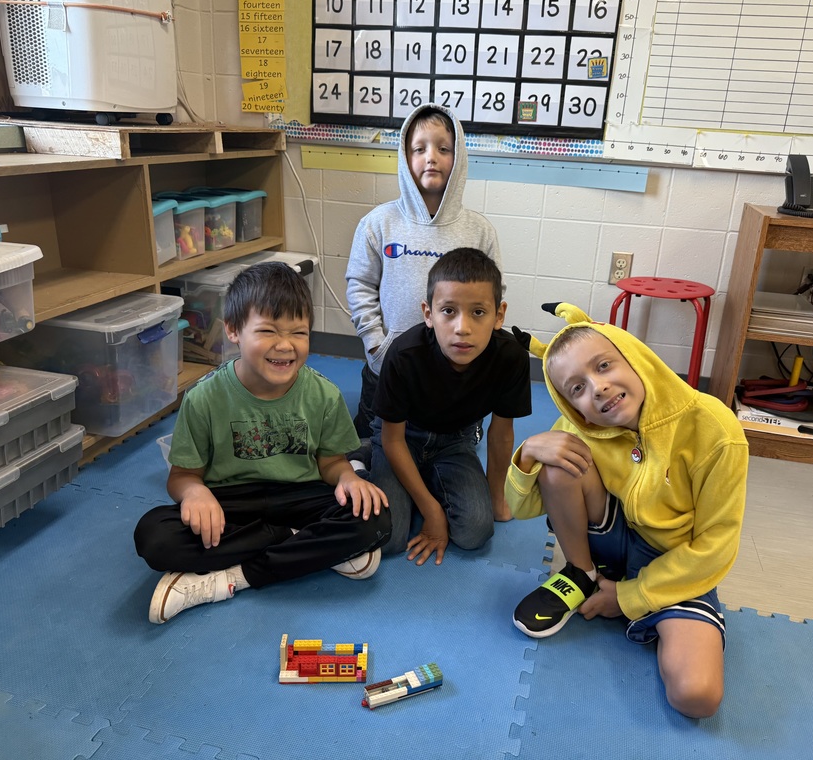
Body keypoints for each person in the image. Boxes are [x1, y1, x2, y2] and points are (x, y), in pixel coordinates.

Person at [506, 303, 747, 718]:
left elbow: (717, 546)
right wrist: (527, 453)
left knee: (697, 696)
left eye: (603, 366)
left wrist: (629, 596)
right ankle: (581, 574)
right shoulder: (582, 427)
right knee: (558, 461)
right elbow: (523, 505)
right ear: (569, 406)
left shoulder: (714, 428)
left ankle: (628, 596)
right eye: (576, 389)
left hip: (675, 563)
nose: (597, 388)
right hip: (610, 541)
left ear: (635, 357)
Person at [134, 263, 391, 624]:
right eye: (267, 331)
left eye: (298, 333)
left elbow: (331, 462)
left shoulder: (323, 394)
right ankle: (303, 544)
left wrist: (348, 477)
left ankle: (232, 578)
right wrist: (194, 493)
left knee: (375, 519)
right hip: (233, 504)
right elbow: (181, 476)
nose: (284, 346)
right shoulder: (203, 399)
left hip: (299, 495)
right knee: (154, 536)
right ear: (233, 330)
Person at [346, 103, 503, 445]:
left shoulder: (478, 231)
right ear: (405, 157)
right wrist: (376, 344)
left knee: (446, 459)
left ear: (458, 157)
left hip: (454, 374)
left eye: (443, 149)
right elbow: (360, 285)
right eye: (420, 149)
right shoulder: (378, 223)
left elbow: (492, 297)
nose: (431, 157)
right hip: (385, 367)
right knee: (370, 452)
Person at [370, 248, 531, 566]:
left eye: (478, 313)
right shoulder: (404, 355)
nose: (462, 328)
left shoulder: (510, 357)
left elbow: (501, 435)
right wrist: (432, 512)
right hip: (402, 437)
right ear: (428, 313)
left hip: (456, 440)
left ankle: (424, 482)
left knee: (475, 533)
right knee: (388, 538)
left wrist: (496, 497)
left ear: (499, 315)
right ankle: (365, 460)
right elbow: (392, 439)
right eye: (448, 311)